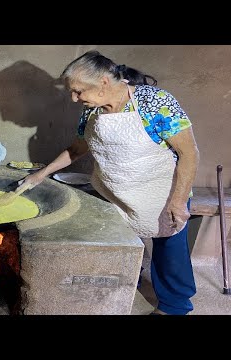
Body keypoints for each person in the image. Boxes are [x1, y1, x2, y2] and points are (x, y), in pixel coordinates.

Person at [17, 50, 200, 315]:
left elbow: (189, 153)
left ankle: (175, 306)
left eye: (78, 91)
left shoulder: (156, 102)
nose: (74, 98)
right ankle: (125, 288)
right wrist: (41, 174)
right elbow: (77, 150)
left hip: (160, 193)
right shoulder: (91, 112)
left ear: (104, 82)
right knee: (118, 249)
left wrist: (179, 200)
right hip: (114, 195)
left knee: (169, 253)